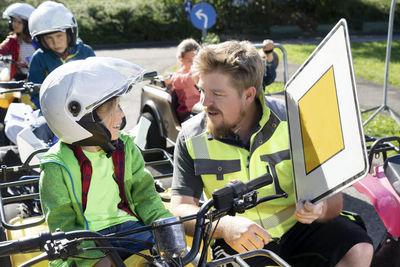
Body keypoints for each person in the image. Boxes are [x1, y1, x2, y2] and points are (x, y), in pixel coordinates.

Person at [170, 40, 374, 266]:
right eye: (202, 90)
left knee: (359, 248)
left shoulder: (294, 120)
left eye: (217, 93)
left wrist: (320, 208)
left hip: (299, 229)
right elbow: (180, 208)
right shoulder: (191, 136)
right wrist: (225, 227)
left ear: (248, 95)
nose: (204, 103)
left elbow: (334, 200)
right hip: (237, 237)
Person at [39, 57, 173, 267]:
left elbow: (145, 195)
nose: (122, 115)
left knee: (172, 258)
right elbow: (62, 224)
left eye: (120, 105)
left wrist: (165, 225)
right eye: (114, 108)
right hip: (85, 241)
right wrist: (92, 259)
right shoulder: (56, 166)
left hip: (130, 229)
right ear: (80, 116)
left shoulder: (126, 147)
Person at [28, 1, 95, 109]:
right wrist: (48, 110)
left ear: (70, 33)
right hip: (54, 110)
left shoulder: (85, 52)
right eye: (49, 38)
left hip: (86, 106)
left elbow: (97, 81)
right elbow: (35, 93)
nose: (55, 42)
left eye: (59, 36)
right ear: (41, 41)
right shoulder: (39, 59)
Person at [0, 3, 36, 81]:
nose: (15, 24)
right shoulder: (12, 40)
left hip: (35, 75)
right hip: (18, 76)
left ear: (27, 25)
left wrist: (28, 65)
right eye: (13, 21)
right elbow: (2, 49)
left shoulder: (36, 40)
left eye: (19, 22)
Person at [169, 38, 201, 123]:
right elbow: (182, 81)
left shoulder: (200, 72)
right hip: (188, 112)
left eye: (195, 60)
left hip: (202, 109)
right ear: (181, 59)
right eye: (189, 60)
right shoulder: (178, 76)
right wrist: (197, 73)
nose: (193, 63)